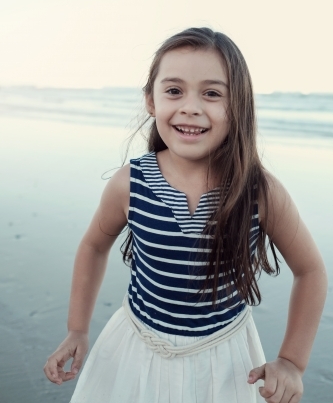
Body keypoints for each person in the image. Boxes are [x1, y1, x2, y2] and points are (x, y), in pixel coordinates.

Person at [44, 27, 327, 403]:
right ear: (150, 100)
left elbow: (311, 271)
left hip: (225, 359)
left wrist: (292, 361)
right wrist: (77, 329)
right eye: (174, 90)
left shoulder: (259, 191)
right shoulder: (130, 183)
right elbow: (94, 245)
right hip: (135, 349)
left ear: (238, 105)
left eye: (211, 93)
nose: (191, 106)